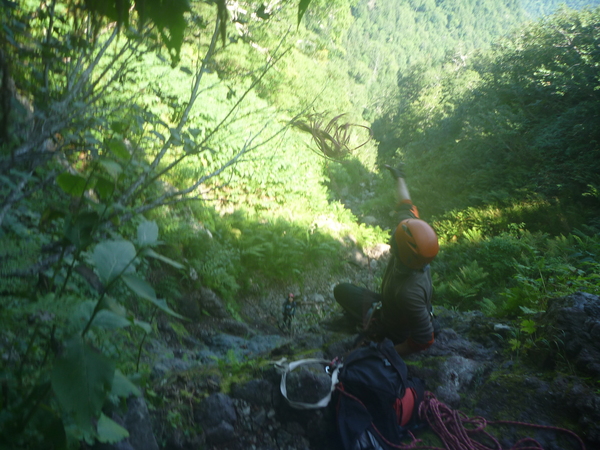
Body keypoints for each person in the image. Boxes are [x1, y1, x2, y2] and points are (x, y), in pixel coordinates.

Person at [333, 163, 439, 356]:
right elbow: (405, 204)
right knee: (342, 289)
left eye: (394, 241)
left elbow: (424, 339)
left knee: (341, 291)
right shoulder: (413, 242)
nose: (391, 242)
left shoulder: (409, 293)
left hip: (394, 330)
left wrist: (383, 351)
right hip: (390, 305)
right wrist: (399, 177)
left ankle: (375, 324)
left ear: (401, 251)